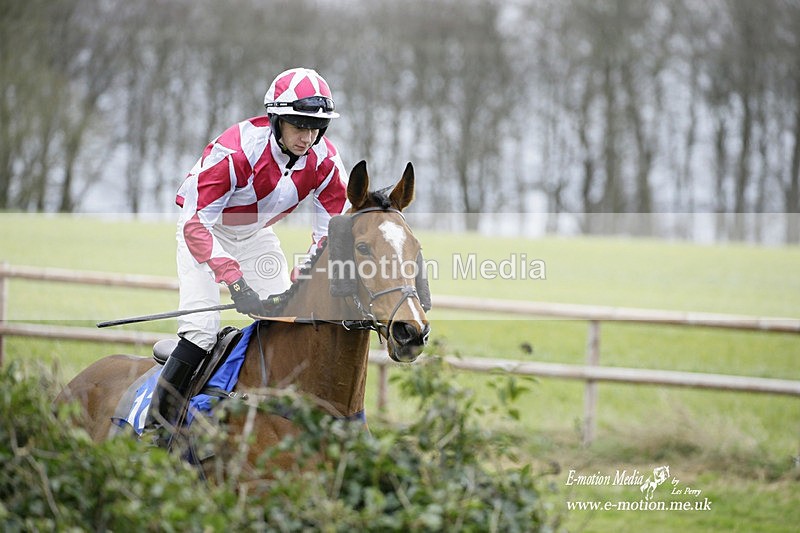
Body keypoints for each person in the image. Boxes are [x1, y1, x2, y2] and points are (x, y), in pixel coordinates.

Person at [144, 67, 348, 443]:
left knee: (287, 322)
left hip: (255, 237)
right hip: (204, 233)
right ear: (275, 121)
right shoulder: (236, 152)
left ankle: (266, 417)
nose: (308, 136)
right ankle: (156, 428)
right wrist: (234, 280)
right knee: (201, 333)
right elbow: (194, 225)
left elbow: (330, 233)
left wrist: (304, 281)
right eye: (298, 124)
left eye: (316, 126)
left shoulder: (326, 162)